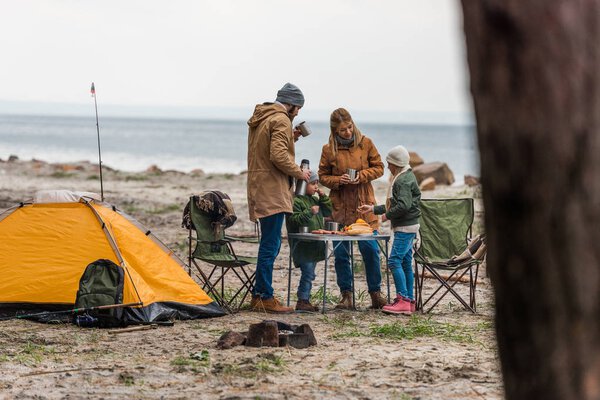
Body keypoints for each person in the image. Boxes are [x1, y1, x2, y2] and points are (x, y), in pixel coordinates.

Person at [247, 82, 311, 313]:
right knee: (270, 245)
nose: (298, 112)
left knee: (269, 243)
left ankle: (259, 295)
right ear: (292, 104)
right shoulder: (281, 119)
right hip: (273, 190)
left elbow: (266, 151)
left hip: (259, 185)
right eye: (298, 107)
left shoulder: (263, 117)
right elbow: (278, 156)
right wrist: (299, 172)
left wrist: (290, 137)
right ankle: (264, 296)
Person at [318, 108, 387, 309]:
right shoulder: (328, 149)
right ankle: (346, 296)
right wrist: (339, 180)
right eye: (342, 130)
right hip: (339, 208)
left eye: (349, 128)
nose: (347, 132)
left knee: (371, 250)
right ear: (334, 131)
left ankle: (376, 294)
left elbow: (380, 167)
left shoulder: (366, 143)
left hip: (363, 205)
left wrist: (361, 176)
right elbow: (322, 176)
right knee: (341, 254)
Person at [358, 145, 421, 315]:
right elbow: (394, 204)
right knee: (406, 262)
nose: (388, 167)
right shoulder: (407, 176)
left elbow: (403, 205)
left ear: (395, 163)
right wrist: (372, 209)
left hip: (405, 227)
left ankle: (402, 300)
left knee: (394, 261)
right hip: (411, 226)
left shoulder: (401, 181)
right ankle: (409, 300)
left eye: (389, 163)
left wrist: (387, 215)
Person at [286, 171, 333, 312]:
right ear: (303, 184)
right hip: (303, 245)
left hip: (314, 244)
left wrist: (323, 196)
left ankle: (305, 299)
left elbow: (327, 211)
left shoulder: (314, 199)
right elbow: (293, 220)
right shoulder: (296, 201)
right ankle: (303, 300)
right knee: (307, 273)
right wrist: (309, 212)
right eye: (313, 183)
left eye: (317, 183)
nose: (316, 186)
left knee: (310, 273)